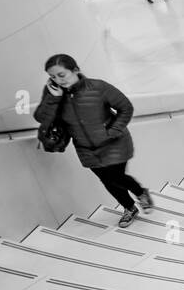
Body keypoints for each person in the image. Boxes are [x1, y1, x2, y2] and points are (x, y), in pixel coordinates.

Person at [34, 54, 153, 228]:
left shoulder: (98, 87)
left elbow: (125, 107)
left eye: (62, 75)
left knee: (115, 176)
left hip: (114, 142)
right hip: (85, 148)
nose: (58, 80)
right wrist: (54, 98)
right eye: (52, 77)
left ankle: (141, 193)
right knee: (107, 181)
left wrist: (112, 131)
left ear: (75, 70)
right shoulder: (53, 92)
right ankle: (129, 208)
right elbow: (40, 117)